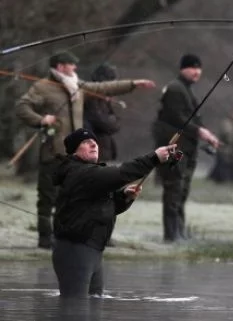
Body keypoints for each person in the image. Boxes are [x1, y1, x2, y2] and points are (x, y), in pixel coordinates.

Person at [15, 51, 156, 249]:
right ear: (60, 66)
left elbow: (104, 87)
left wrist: (133, 84)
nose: (75, 68)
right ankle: (45, 237)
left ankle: (63, 235)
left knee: (72, 198)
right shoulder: (43, 87)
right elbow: (22, 107)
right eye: (71, 65)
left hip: (75, 158)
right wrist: (41, 120)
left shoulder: (78, 86)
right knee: (47, 197)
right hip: (53, 152)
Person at [52, 128, 177, 298]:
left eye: (94, 141)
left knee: (94, 305)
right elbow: (123, 173)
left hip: (92, 251)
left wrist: (123, 197)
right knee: (73, 309)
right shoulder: (82, 172)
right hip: (75, 251)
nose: (93, 144)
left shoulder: (89, 174)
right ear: (75, 150)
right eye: (85, 142)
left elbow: (98, 210)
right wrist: (154, 158)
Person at [151, 53, 220, 242]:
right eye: (192, 67)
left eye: (199, 68)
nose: (197, 71)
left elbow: (193, 119)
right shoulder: (175, 89)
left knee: (182, 190)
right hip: (175, 149)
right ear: (183, 69)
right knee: (174, 188)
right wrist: (201, 132)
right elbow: (178, 118)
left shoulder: (187, 90)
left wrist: (206, 134)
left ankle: (179, 231)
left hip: (188, 149)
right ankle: (171, 234)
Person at [83, 63, 122, 163]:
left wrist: (113, 121)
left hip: (103, 150)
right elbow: (104, 123)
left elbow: (116, 122)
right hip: (95, 150)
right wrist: (113, 121)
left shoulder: (104, 98)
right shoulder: (92, 98)